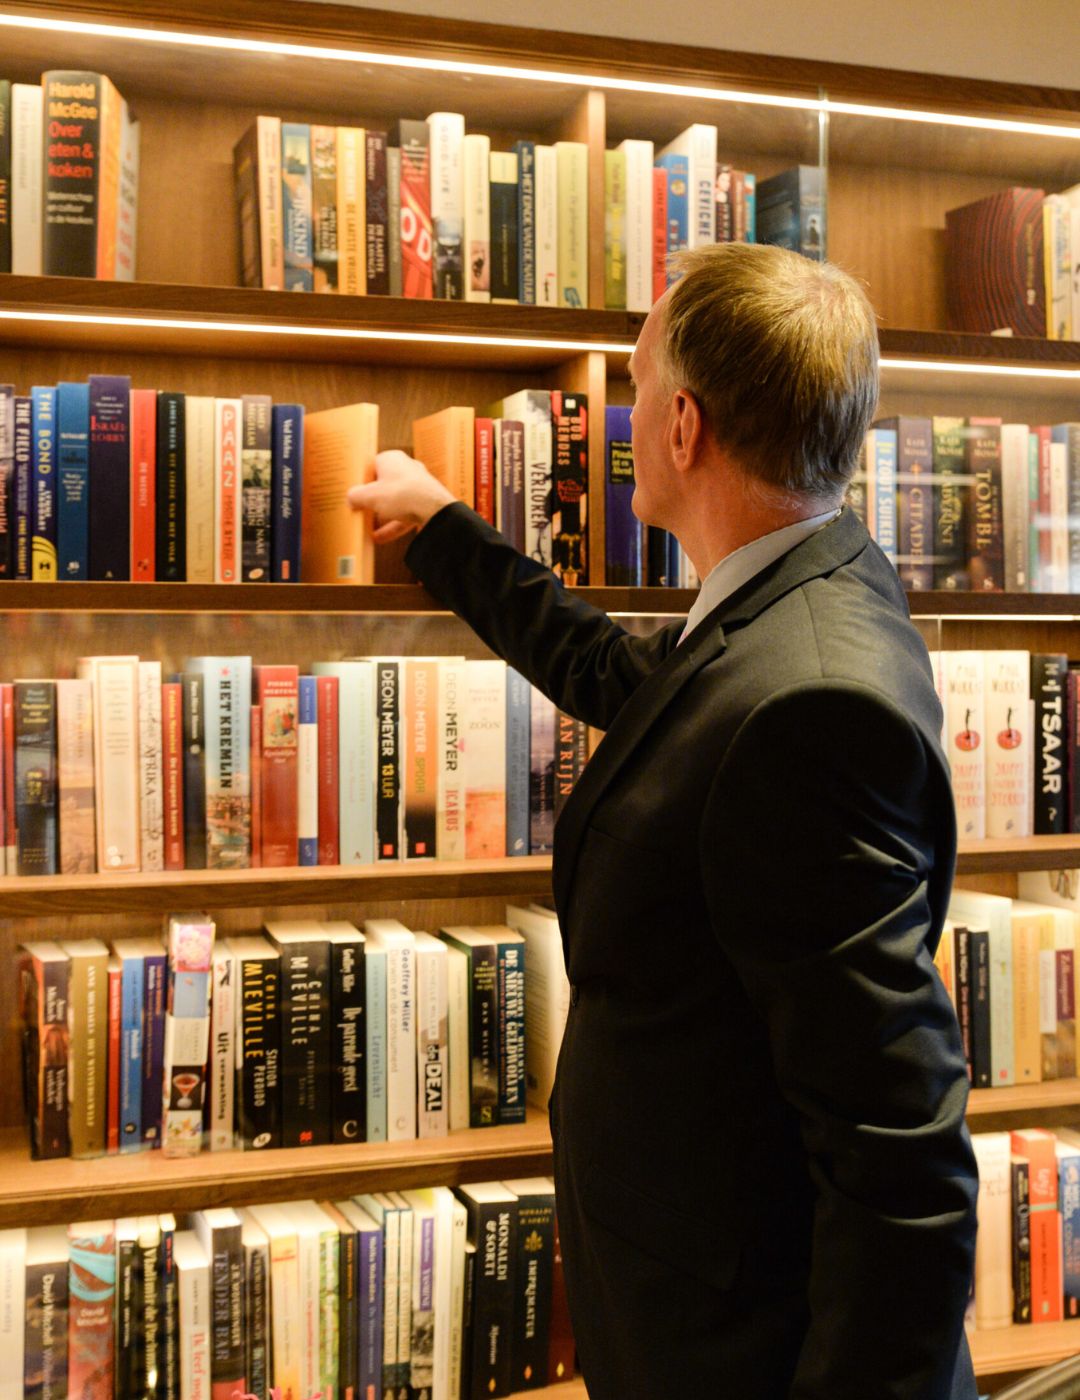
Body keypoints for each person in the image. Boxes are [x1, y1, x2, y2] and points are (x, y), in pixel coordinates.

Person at [347, 242, 979, 1400]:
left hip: (738, 1354)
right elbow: (625, 677)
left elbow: (902, 1160)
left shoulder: (809, 702)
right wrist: (443, 529)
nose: (626, 417)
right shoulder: (802, 586)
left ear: (683, 426)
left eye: (636, 387)